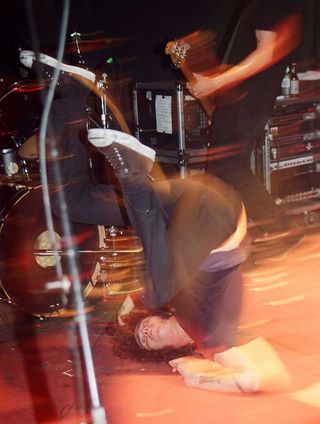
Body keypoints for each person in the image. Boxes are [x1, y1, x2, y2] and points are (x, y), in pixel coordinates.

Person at [87, 127, 292, 394]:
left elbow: (128, 307)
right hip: (220, 223)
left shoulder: (169, 297)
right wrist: (200, 377)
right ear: (167, 352)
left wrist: (126, 319)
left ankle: (131, 168)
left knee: (84, 208)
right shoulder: (210, 338)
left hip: (195, 206)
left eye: (141, 329)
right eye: (145, 341)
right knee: (155, 290)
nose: (145, 332)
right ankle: (134, 171)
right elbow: (261, 379)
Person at [187, 0, 303, 241]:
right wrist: (217, 75)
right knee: (224, 170)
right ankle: (231, 237)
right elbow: (258, 57)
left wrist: (216, 82)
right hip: (243, 101)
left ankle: (281, 231)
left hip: (245, 103)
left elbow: (266, 52)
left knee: (229, 168)